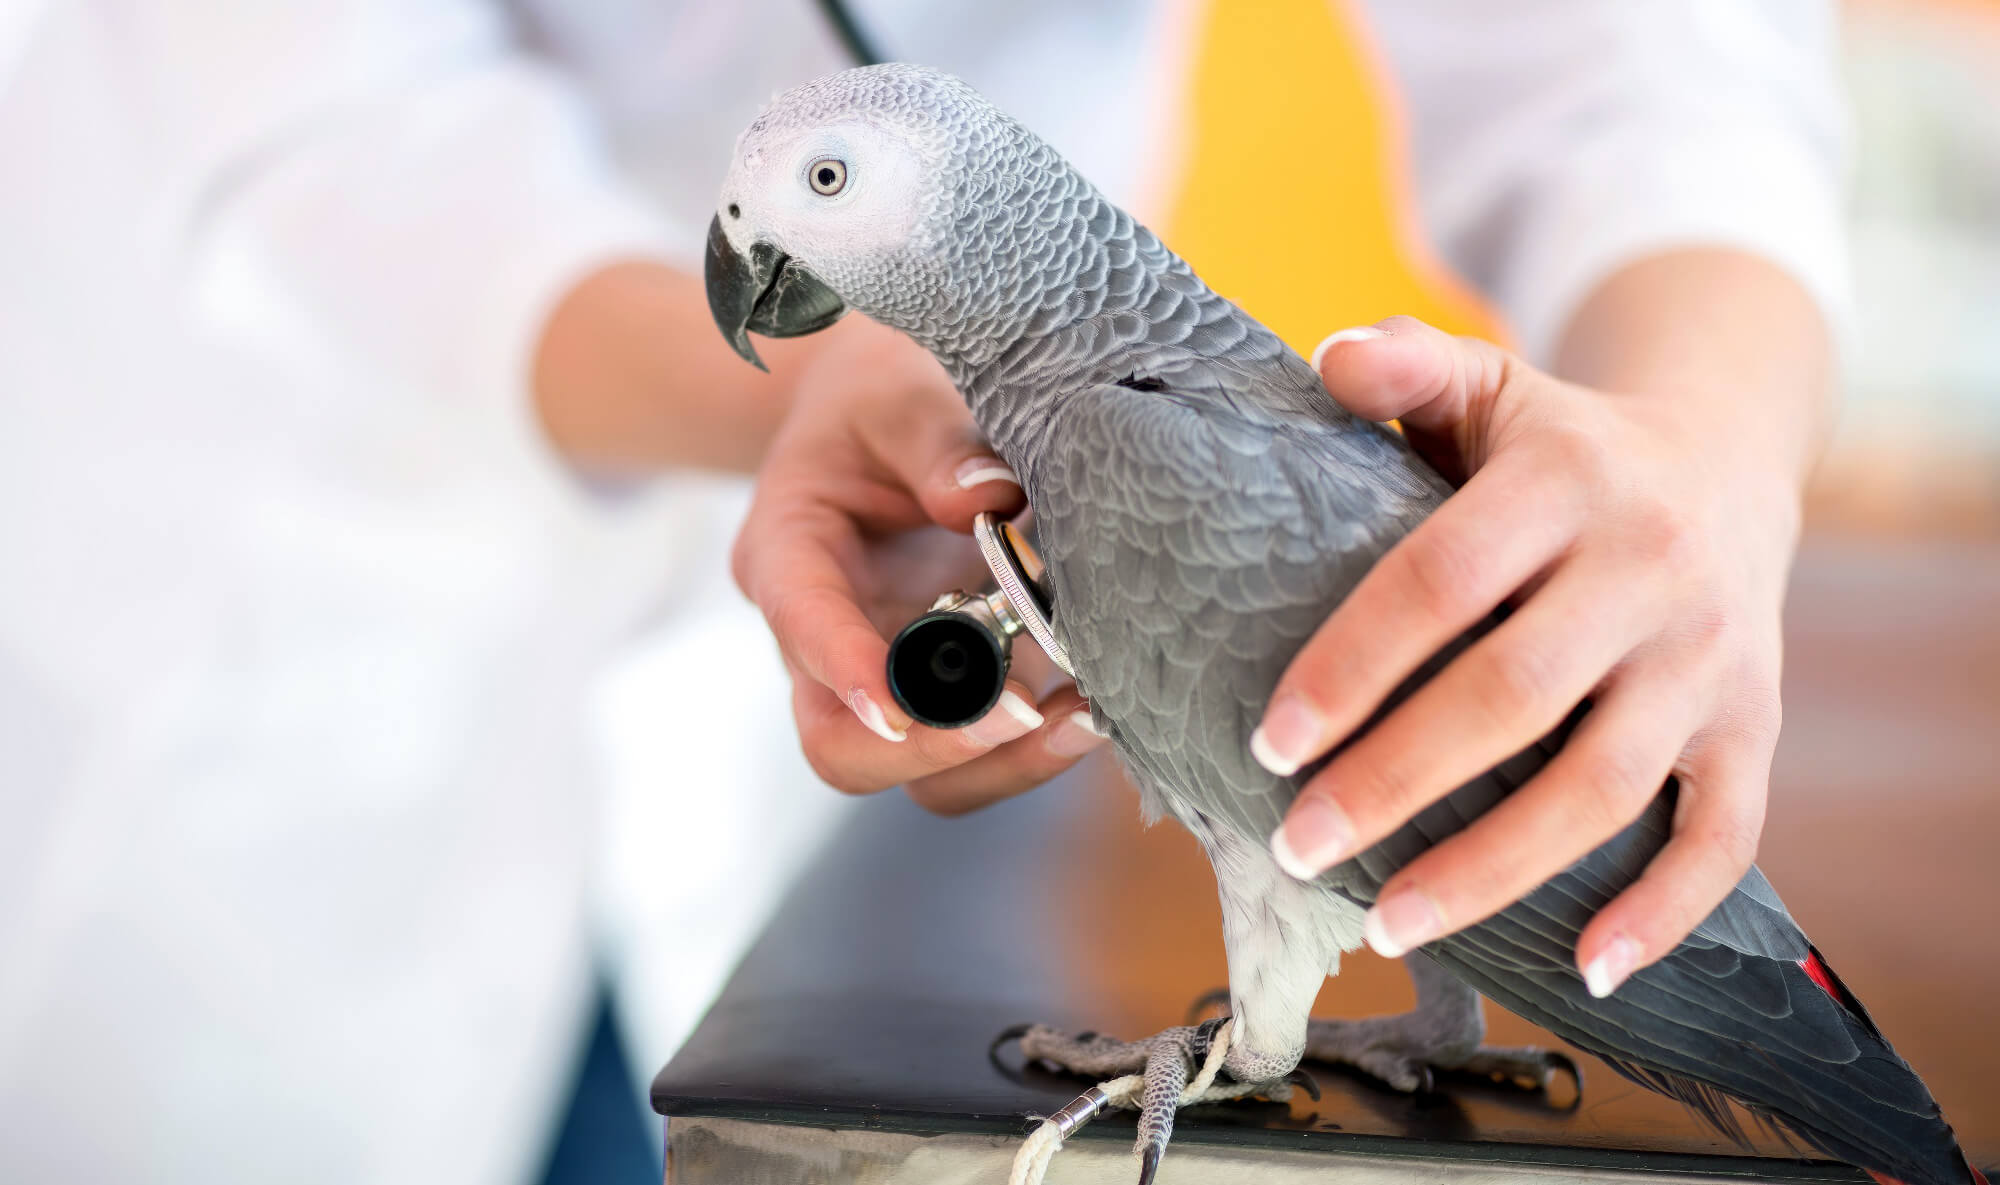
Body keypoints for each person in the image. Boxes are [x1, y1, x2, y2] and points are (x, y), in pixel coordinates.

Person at [0, 2, 1843, 1184]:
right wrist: (806, 386)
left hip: (784, 828)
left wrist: (1703, 438)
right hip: (283, 642)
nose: (764, 228)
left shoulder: (1131, 451)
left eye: (812, 189)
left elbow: (1642, 57)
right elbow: (322, 140)